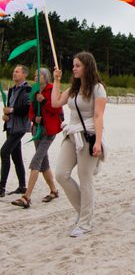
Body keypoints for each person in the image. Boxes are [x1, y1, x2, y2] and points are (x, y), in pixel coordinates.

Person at [52, 52, 107, 237]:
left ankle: (85, 223)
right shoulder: (73, 89)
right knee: (61, 174)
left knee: (85, 178)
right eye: (73, 65)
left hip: (89, 136)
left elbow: (98, 116)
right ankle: (83, 212)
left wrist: (98, 142)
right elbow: (55, 102)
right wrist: (56, 80)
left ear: (87, 67)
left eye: (77, 65)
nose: (73, 68)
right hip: (72, 135)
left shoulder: (98, 88)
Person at [11, 68, 62, 208]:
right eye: (35, 75)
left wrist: (44, 101)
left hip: (49, 131)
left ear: (46, 77)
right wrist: (34, 118)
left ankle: (26, 197)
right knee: (44, 163)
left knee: (36, 161)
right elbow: (31, 111)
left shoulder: (53, 89)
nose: (35, 77)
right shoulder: (34, 91)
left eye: (38, 75)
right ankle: (54, 191)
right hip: (37, 130)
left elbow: (57, 109)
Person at [1, 65, 31, 197]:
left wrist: (11, 110)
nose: (14, 73)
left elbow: (27, 109)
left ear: (24, 74)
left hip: (20, 127)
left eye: (17, 71)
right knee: (16, 156)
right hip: (10, 126)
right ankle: (22, 186)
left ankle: (1, 187)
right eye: (14, 71)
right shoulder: (12, 89)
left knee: (4, 151)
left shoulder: (27, 89)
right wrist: (5, 116)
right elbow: (9, 108)